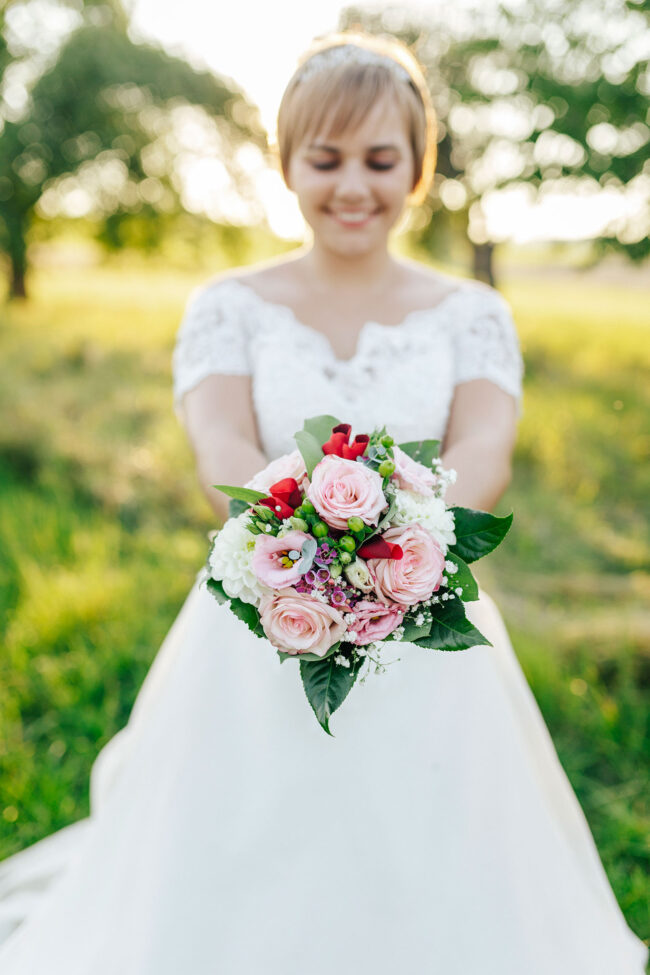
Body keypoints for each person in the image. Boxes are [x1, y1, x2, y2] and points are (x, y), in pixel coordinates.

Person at [0, 29, 646, 975]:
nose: (354, 186)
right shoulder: (231, 302)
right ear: (288, 165)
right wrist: (299, 536)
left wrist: (398, 546)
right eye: (327, 158)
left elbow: (485, 451)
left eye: (381, 160)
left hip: (427, 606)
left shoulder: (471, 313)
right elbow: (219, 444)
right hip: (265, 607)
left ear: (417, 169)